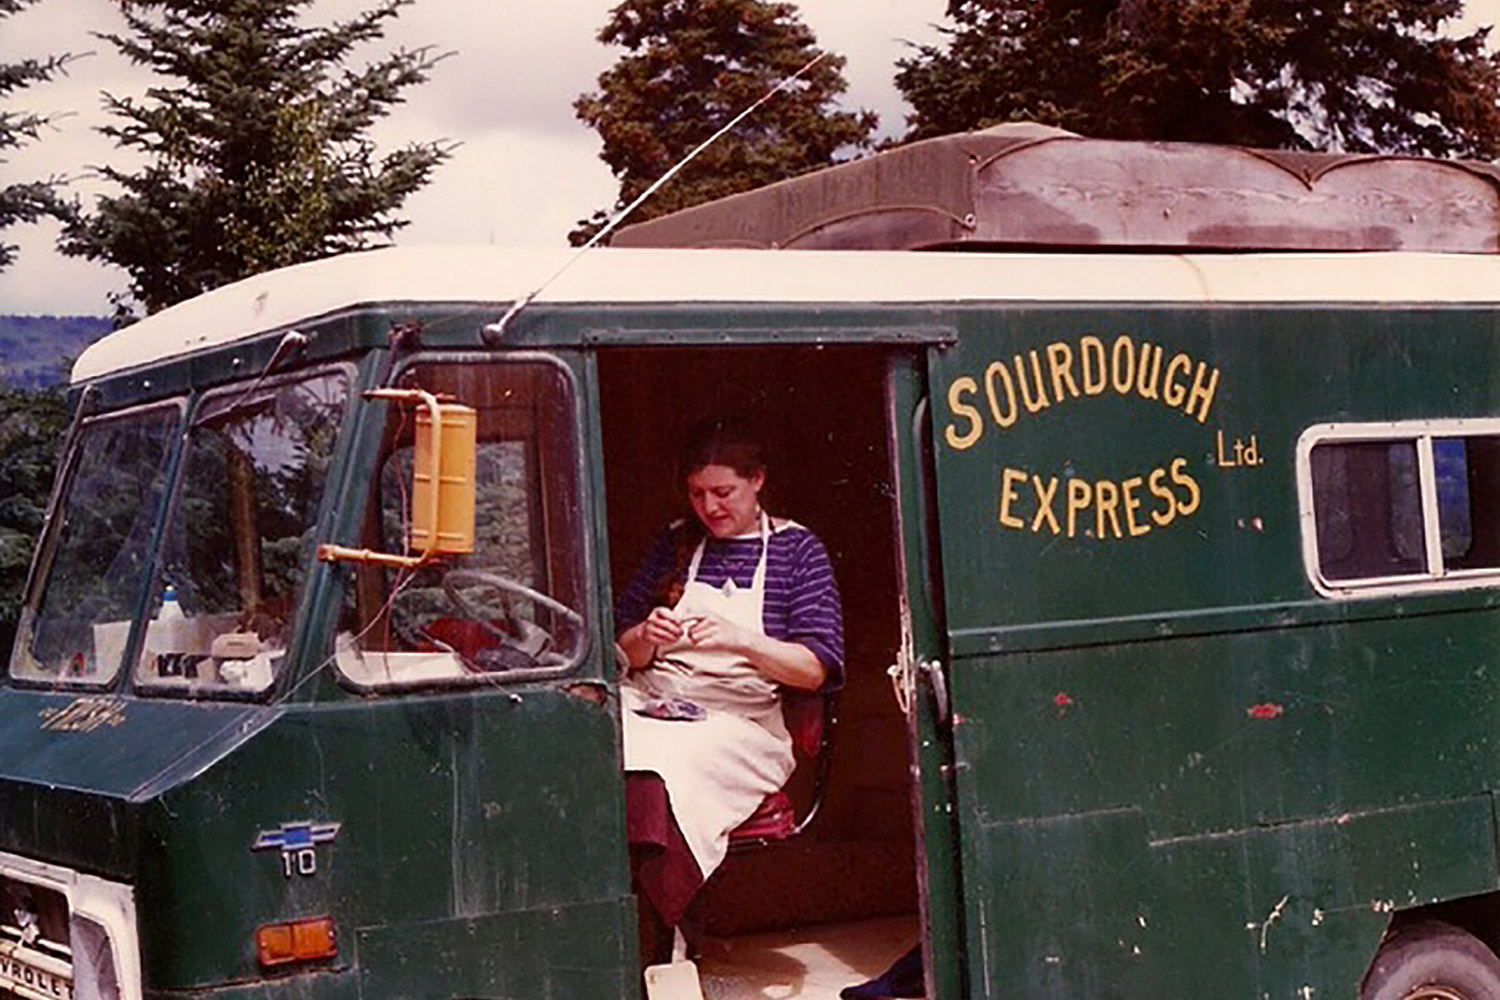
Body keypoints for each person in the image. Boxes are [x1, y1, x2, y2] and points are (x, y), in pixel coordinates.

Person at [614, 416, 844, 962]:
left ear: (757, 480)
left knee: (661, 766)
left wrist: (742, 640)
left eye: (724, 492)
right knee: (595, 737)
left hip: (740, 721)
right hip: (655, 697)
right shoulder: (675, 543)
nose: (709, 508)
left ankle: (663, 938)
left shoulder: (798, 552)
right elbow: (621, 650)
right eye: (697, 493)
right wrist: (647, 635)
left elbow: (816, 668)